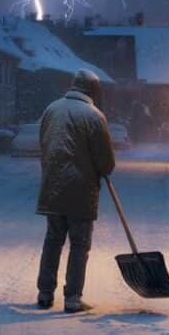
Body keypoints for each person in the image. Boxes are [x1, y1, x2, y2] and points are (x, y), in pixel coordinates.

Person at [35, 69, 117, 313]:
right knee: (79, 244)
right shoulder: (94, 116)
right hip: (81, 191)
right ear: (93, 90)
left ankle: (45, 292)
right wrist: (100, 167)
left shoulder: (51, 110)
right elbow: (106, 163)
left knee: (53, 241)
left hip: (53, 187)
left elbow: (44, 145)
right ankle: (72, 298)